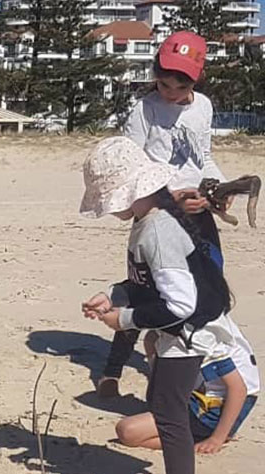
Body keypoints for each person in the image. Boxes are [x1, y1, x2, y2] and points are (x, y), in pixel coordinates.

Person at [79, 136, 231, 474]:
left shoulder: (157, 232)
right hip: (174, 335)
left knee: (169, 412)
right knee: (165, 407)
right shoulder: (152, 220)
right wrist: (112, 295)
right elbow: (150, 285)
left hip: (186, 336)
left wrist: (124, 320)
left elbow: (180, 304)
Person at [99, 31, 232, 398]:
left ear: (196, 78)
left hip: (199, 214)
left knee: (208, 286)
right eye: (164, 81)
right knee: (147, 291)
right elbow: (131, 168)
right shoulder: (144, 110)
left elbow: (203, 158)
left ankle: (197, 362)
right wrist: (172, 198)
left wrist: (218, 189)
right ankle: (112, 369)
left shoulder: (202, 107)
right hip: (156, 210)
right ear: (155, 71)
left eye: (180, 83)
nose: (171, 90)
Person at [115, 314, 258, 455]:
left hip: (215, 409)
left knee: (128, 431)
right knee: (152, 338)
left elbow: (239, 389)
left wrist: (217, 438)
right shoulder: (204, 314)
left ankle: (193, 438)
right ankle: (166, 402)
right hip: (202, 390)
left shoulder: (201, 337)